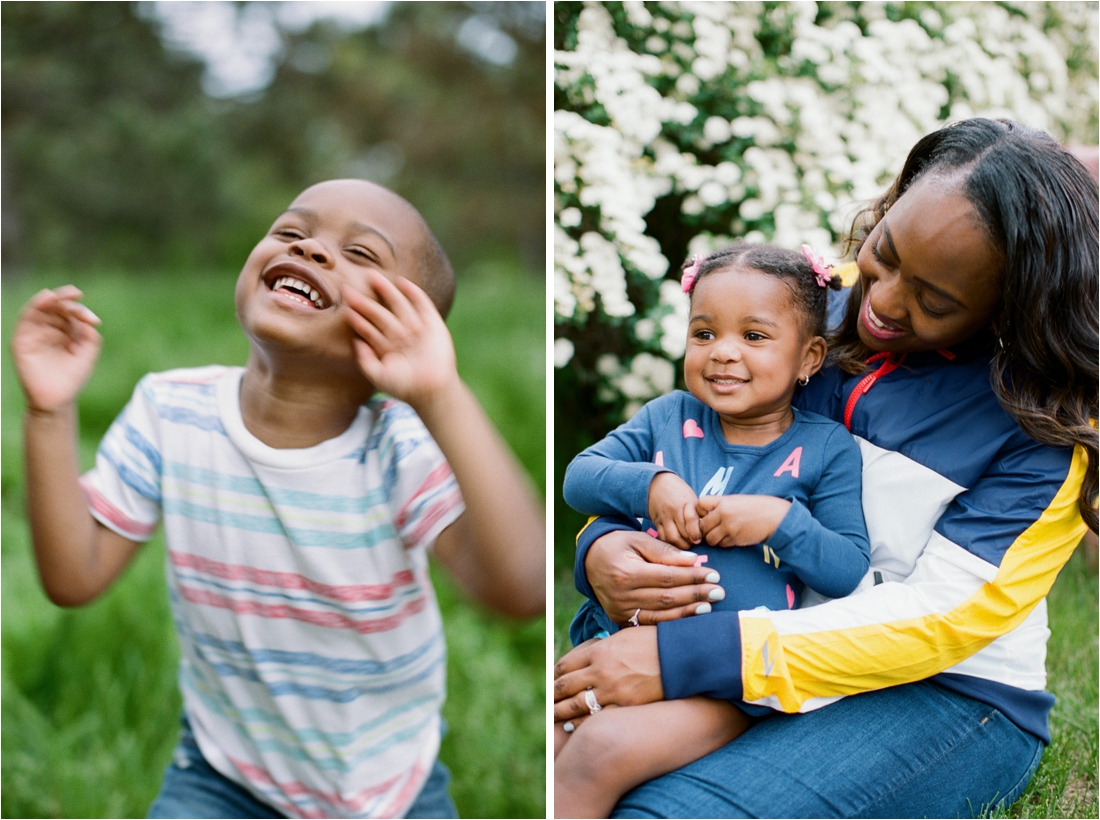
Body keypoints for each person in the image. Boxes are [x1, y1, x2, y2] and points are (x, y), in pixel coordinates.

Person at [553, 118, 1098, 818]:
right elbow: (687, 453)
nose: (883, 303)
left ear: (1010, 307)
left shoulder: (1048, 423)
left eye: (935, 301)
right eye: (886, 252)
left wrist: (688, 657)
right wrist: (599, 544)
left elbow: (943, 617)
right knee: (565, 761)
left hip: (940, 690)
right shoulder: (798, 314)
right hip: (743, 637)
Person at [12, 179, 545, 819]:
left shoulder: (396, 447)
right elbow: (74, 574)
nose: (313, 250)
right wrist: (49, 410)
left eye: (362, 254)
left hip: (387, 788)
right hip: (222, 775)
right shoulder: (170, 411)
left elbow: (525, 589)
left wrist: (439, 391)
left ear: (410, 328)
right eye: (291, 232)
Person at [555, 244, 870, 818]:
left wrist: (780, 522)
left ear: (809, 357)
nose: (722, 352)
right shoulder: (667, 417)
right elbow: (579, 476)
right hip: (616, 644)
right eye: (704, 334)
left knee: (599, 749)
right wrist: (650, 483)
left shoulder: (826, 447)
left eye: (753, 336)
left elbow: (849, 568)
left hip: (726, 685)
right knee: (548, 739)